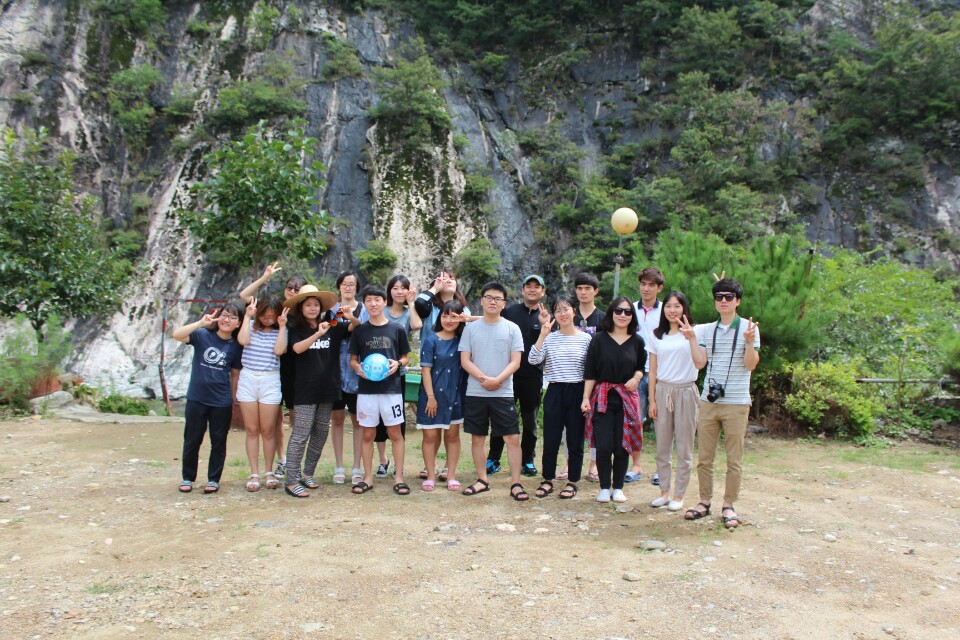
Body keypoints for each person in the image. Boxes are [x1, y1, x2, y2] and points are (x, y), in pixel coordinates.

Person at [684, 278, 760, 530]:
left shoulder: (749, 328)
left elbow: (751, 365)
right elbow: (699, 363)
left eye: (729, 297)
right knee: (704, 457)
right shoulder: (707, 329)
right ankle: (704, 501)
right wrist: (692, 339)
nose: (724, 301)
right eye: (719, 297)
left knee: (733, 459)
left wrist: (749, 341)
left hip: (737, 402)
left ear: (738, 301)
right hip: (709, 401)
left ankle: (728, 504)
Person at [284, 286, 355, 498]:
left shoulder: (332, 325)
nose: (313, 308)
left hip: (328, 387)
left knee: (321, 432)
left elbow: (355, 327)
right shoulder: (296, 328)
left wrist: (349, 315)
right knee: (301, 433)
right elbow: (297, 349)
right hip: (305, 388)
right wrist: (318, 334)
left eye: (316, 304)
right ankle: (291, 480)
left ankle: (308, 473)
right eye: (308, 305)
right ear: (301, 308)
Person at [459, 282, 527, 500]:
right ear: (481, 301)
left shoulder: (512, 328)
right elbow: (465, 360)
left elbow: (516, 361)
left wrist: (497, 380)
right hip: (476, 392)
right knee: (477, 438)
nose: (492, 302)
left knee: (512, 438)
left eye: (497, 299)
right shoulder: (470, 328)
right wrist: (483, 379)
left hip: (503, 392)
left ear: (504, 304)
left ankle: (515, 483)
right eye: (488, 297)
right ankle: (482, 480)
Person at [239, 263, 305, 482]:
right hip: (264, 372)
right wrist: (265, 277)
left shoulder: (301, 312)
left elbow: (330, 320)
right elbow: (245, 296)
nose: (292, 291)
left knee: (289, 419)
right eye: (290, 287)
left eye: (297, 289)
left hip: (288, 372)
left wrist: (282, 325)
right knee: (271, 423)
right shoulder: (271, 307)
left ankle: (290, 462)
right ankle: (279, 460)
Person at [172, 304, 243, 494]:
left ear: (238, 324)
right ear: (218, 317)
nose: (227, 320)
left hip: (221, 401)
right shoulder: (203, 335)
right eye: (225, 315)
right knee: (192, 440)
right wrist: (200, 323)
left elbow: (235, 375)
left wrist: (234, 400)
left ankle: (213, 479)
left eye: (233, 317)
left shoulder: (236, 345)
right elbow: (177, 335)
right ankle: (188, 477)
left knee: (218, 442)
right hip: (197, 398)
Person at [581, 297, 645, 503]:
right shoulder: (598, 339)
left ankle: (618, 488)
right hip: (603, 398)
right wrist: (585, 398)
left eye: (627, 312)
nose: (623, 315)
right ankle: (603, 487)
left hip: (626, 398)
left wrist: (636, 378)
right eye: (618, 311)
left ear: (632, 316)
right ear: (611, 313)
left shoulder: (637, 341)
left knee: (622, 446)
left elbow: (641, 367)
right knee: (603, 445)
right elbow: (590, 371)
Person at [349, 285, 411, 495]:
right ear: (364, 303)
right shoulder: (360, 330)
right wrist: (358, 368)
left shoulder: (397, 329)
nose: (373, 304)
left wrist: (398, 364)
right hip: (367, 391)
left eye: (377, 300)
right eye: (369, 300)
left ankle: (399, 477)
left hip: (391, 390)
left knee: (395, 433)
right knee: (368, 433)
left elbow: (405, 357)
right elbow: (353, 359)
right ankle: (367, 478)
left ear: (385, 302)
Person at [528, 295, 592, 500]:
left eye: (566, 309)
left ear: (574, 311)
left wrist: (586, 397)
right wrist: (542, 335)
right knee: (551, 438)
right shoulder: (549, 338)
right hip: (555, 390)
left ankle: (573, 481)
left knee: (575, 439)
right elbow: (533, 359)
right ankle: (547, 479)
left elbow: (590, 370)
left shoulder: (586, 339)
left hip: (577, 391)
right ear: (553, 314)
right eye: (558, 310)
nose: (562, 314)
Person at [646, 291, 702, 511]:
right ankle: (664, 492)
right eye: (668, 306)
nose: (672, 310)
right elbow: (652, 370)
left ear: (684, 308)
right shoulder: (656, 335)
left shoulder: (694, 332)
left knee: (684, 446)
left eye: (677, 306)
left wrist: (692, 338)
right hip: (662, 391)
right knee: (662, 446)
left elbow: (700, 363)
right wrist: (652, 400)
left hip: (686, 391)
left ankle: (679, 495)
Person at [487, 274, 546, 478]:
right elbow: (490, 323)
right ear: (522, 290)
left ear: (542, 292)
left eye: (536, 286)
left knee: (530, 421)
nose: (532, 289)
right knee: (500, 418)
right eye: (528, 286)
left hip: (532, 377)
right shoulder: (509, 312)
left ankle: (527, 460)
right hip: (507, 375)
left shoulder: (546, 317)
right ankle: (493, 459)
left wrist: (546, 325)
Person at [236, 297, 287, 491]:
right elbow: (242, 340)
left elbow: (279, 351)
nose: (268, 320)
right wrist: (247, 316)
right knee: (251, 429)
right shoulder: (250, 325)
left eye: (272, 317)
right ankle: (254, 473)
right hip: (248, 377)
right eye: (265, 316)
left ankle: (268, 471)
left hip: (270, 379)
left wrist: (282, 326)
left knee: (268, 430)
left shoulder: (281, 330)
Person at [416, 300, 467, 492]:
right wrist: (430, 397)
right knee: (430, 435)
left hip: (455, 393)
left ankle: (451, 475)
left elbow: (487, 321)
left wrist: (467, 319)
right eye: (445, 315)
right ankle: (430, 475)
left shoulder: (464, 340)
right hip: (432, 394)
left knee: (452, 435)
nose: (448, 320)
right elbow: (426, 370)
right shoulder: (430, 340)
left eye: (454, 316)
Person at [379, 274, 422, 479]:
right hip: (377, 371)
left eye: (403, 288)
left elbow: (417, 325)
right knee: (378, 420)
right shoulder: (382, 310)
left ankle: (399, 465)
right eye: (395, 288)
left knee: (398, 419)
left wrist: (411, 303)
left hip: (398, 372)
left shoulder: (407, 313)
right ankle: (382, 461)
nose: (399, 291)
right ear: (389, 291)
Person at [330, 271, 370, 486]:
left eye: (352, 284)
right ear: (339, 287)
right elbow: (330, 332)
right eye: (344, 284)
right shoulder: (331, 310)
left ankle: (356, 466)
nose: (348, 288)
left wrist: (351, 317)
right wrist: (340, 315)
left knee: (358, 421)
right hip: (335, 371)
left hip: (357, 371)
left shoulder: (363, 309)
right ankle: (339, 466)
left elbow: (364, 331)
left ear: (356, 288)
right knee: (336, 419)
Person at [628, 266, 664, 484]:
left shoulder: (667, 310)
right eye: (643, 284)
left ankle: (662, 468)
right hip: (637, 373)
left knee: (663, 421)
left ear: (659, 288)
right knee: (635, 420)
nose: (646, 289)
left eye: (651, 285)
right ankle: (636, 465)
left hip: (661, 373)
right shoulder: (630, 309)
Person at [573, 272, 605, 483]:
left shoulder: (604, 318)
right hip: (572, 377)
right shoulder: (569, 315)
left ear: (596, 291)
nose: (583, 292)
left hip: (596, 379)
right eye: (579, 288)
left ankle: (594, 464)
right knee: (571, 424)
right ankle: (569, 463)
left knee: (596, 424)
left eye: (587, 288)